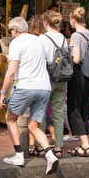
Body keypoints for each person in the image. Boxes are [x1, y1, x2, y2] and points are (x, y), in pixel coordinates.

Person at [0, 17, 59, 174]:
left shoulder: (16, 43)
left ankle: (19, 155)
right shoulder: (39, 40)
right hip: (44, 87)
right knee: (33, 125)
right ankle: (50, 154)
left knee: (11, 119)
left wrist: (2, 92)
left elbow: (11, 71)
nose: (11, 34)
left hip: (26, 86)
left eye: (11, 30)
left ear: (15, 30)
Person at [39, 10, 68, 157]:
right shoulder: (63, 38)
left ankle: (41, 146)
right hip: (62, 79)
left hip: (47, 79)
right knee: (58, 113)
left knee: (42, 113)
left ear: (45, 23)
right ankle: (58, 147)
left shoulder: (42, 39)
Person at [67, 7, 89, 157]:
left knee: (73, 108)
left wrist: (68, 57)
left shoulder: (76, 36)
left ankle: (85, 144)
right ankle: (83, 142)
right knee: (84, 107)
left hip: (79, 75)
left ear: (73, 20)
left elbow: (76, 58)